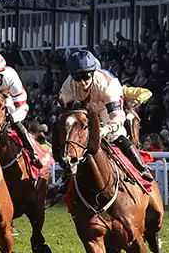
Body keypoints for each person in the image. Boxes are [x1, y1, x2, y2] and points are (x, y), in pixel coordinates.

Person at [58, 49, 153, 181]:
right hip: (84, 107)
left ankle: (140, 168)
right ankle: (66, 171)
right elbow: (65, 111)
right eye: (77, 78)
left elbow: (117, 116)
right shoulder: (67, 86)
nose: (82, 82)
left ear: (93, 73)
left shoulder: (108, 85)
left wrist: (105, 128)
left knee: (114, 134)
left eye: (86, 77)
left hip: (104, 106)